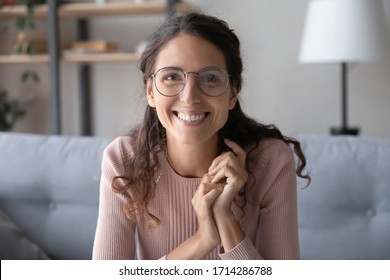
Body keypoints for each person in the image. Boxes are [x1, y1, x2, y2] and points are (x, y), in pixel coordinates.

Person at [92, 12, 310, 260]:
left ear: (232, 93)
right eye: (172, 77)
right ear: (151, 92)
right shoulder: (123, 159)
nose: (190, 97)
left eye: (210, 78)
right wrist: (203, 240)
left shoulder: (270, 161)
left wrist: (224, 217)